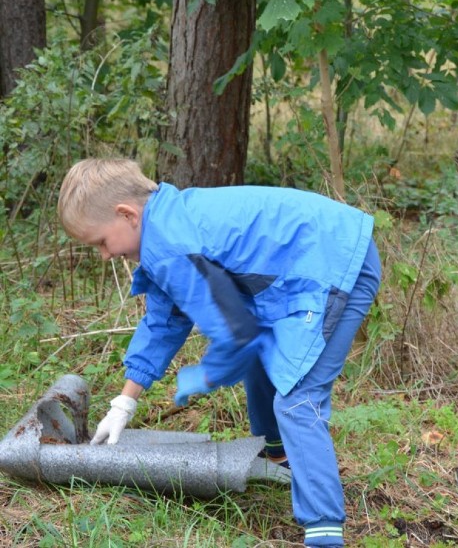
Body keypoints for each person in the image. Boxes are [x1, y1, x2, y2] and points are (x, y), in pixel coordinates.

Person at [57, 158, 382, 548]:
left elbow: (233, 335)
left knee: (298, 402)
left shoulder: (170, 246)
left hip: (332, 263)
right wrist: (123, 403)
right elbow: (164, 323)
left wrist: (209, 372)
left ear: (127, 215)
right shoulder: (164, 230)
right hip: (313, 259)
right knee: (264, 357)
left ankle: (324, 531)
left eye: (101, 243)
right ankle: (280, 458)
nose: (104, 255)